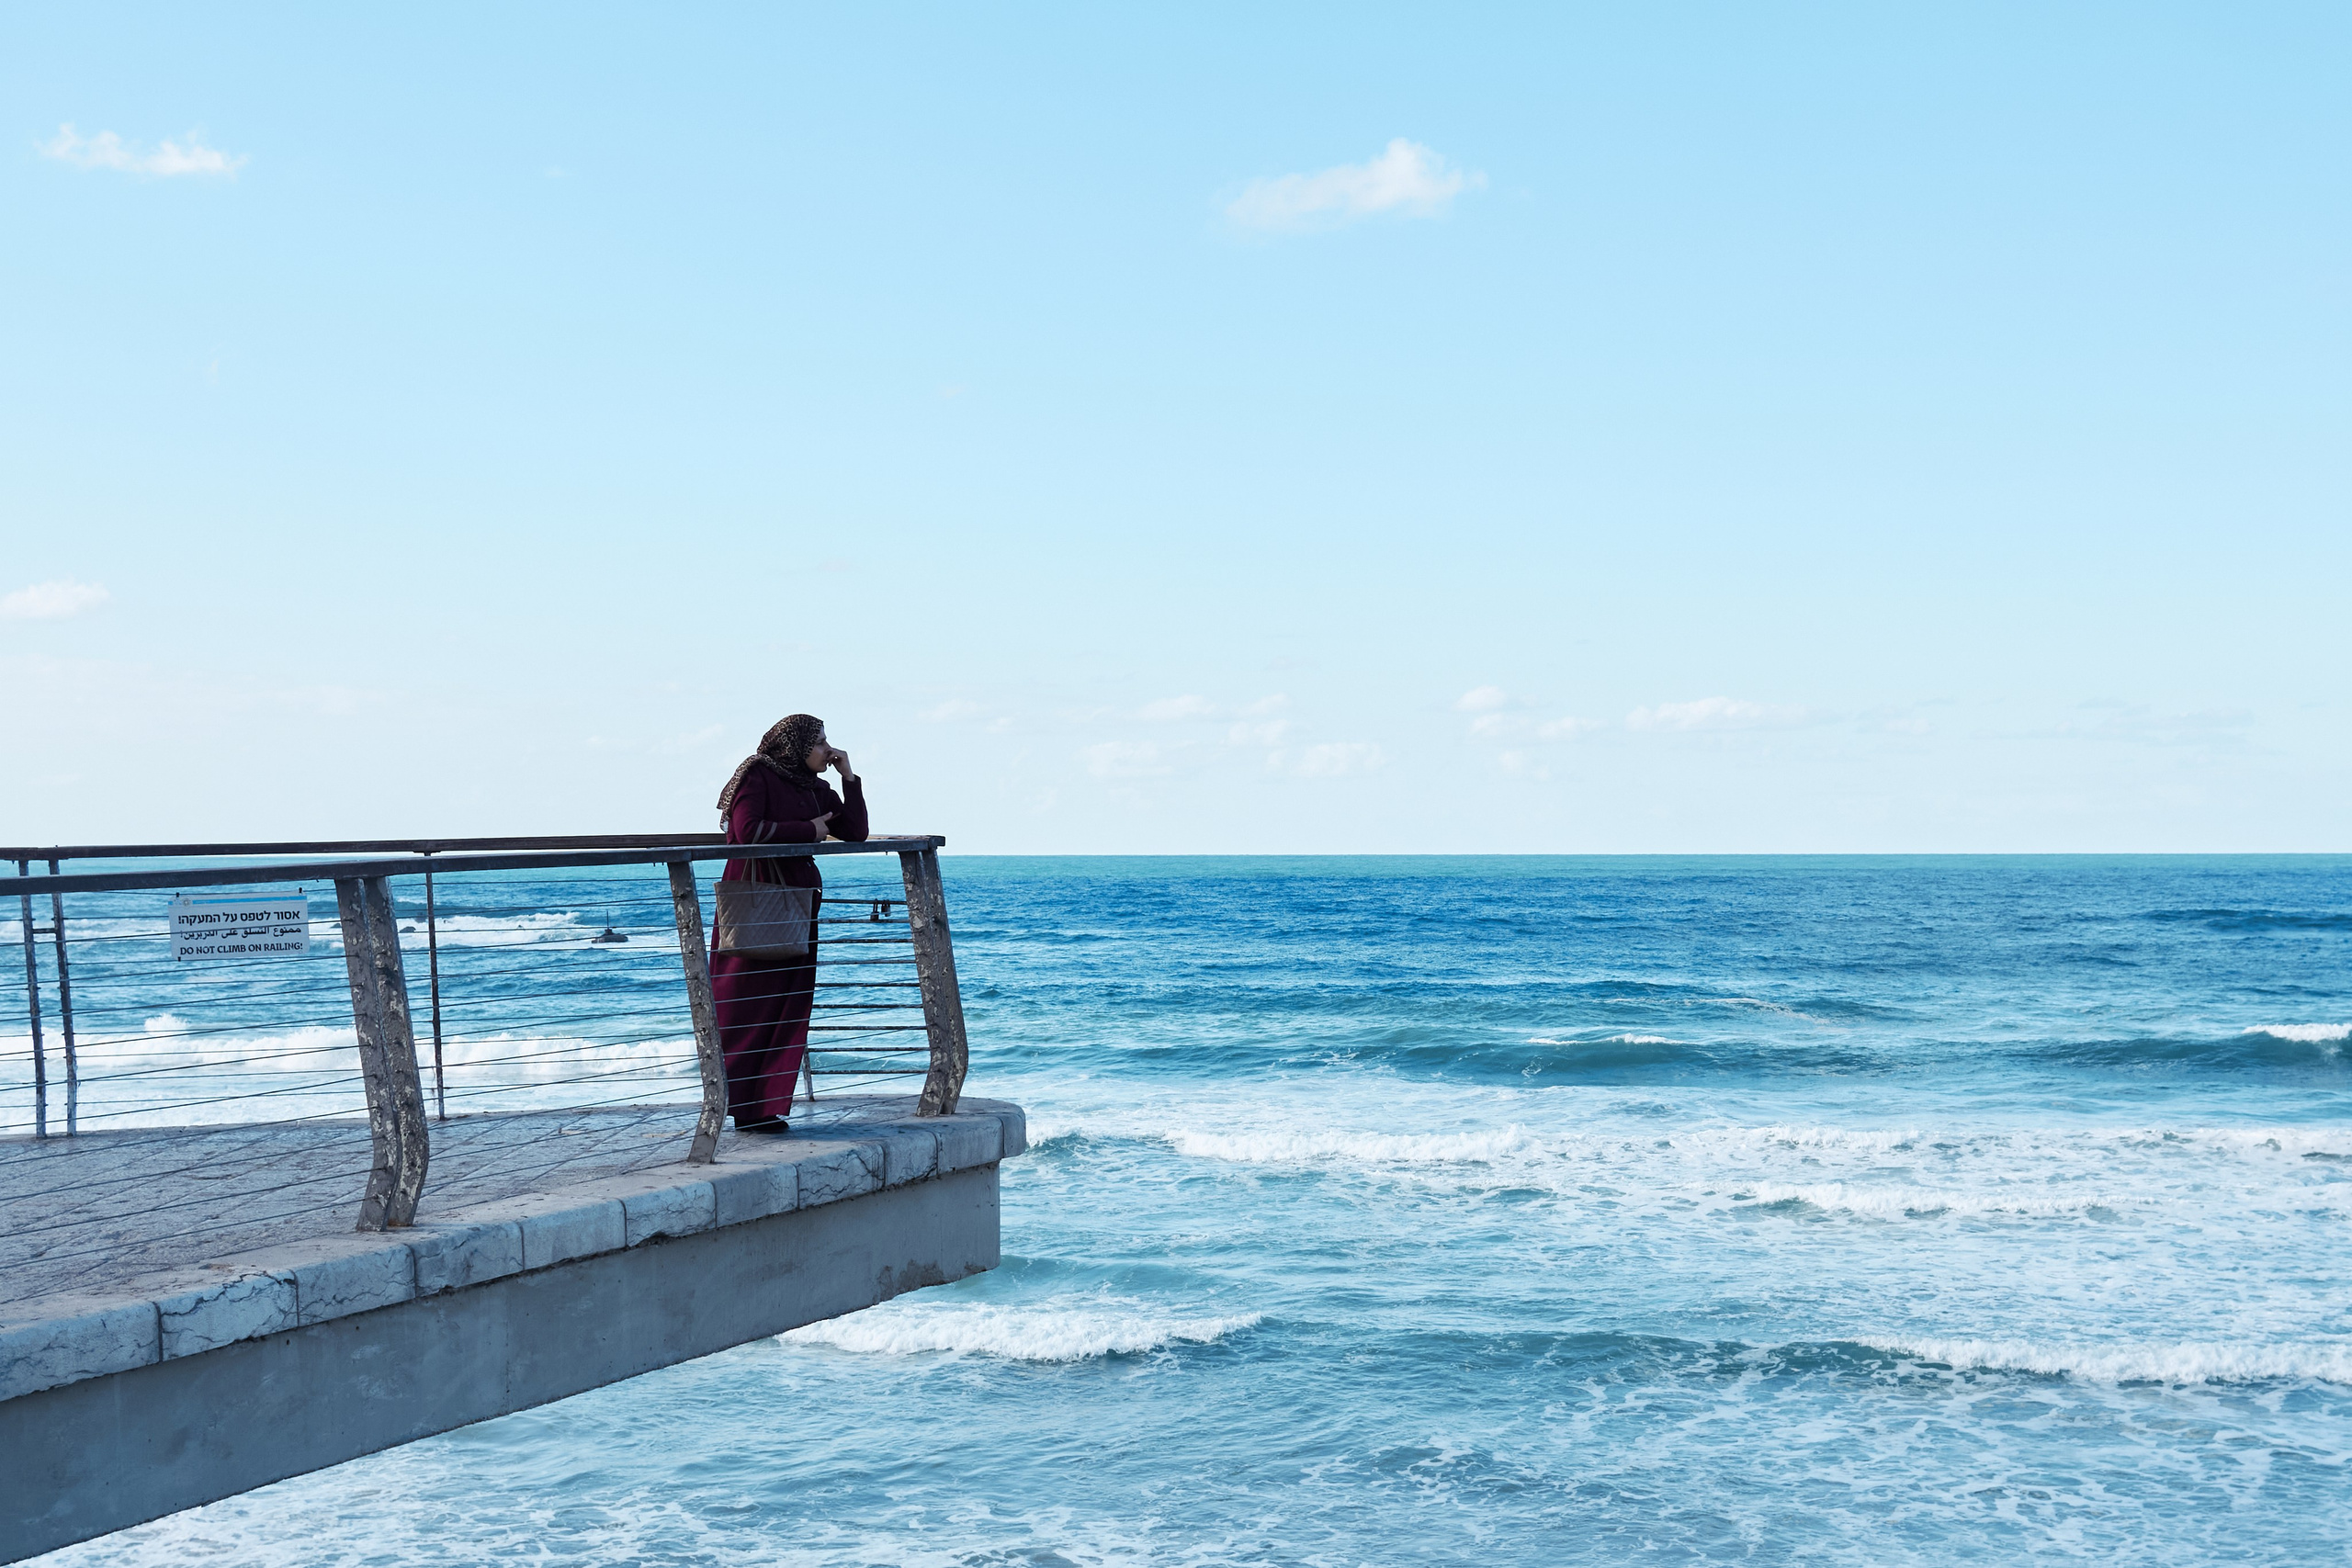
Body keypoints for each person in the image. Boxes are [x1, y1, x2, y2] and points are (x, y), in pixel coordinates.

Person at [710, 713, 867, 1133]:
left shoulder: (814, 787)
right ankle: (740, 1106)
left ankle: (766, 1107)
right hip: (754, 898)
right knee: (744, 1001)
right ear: (794, 745)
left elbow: (855, 831)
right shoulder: (758, 774)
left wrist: (848, 776)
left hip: (796, 901)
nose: (827, 749)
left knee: (788, 1002)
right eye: (819, 742)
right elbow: (746, 831)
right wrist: (809, 830)